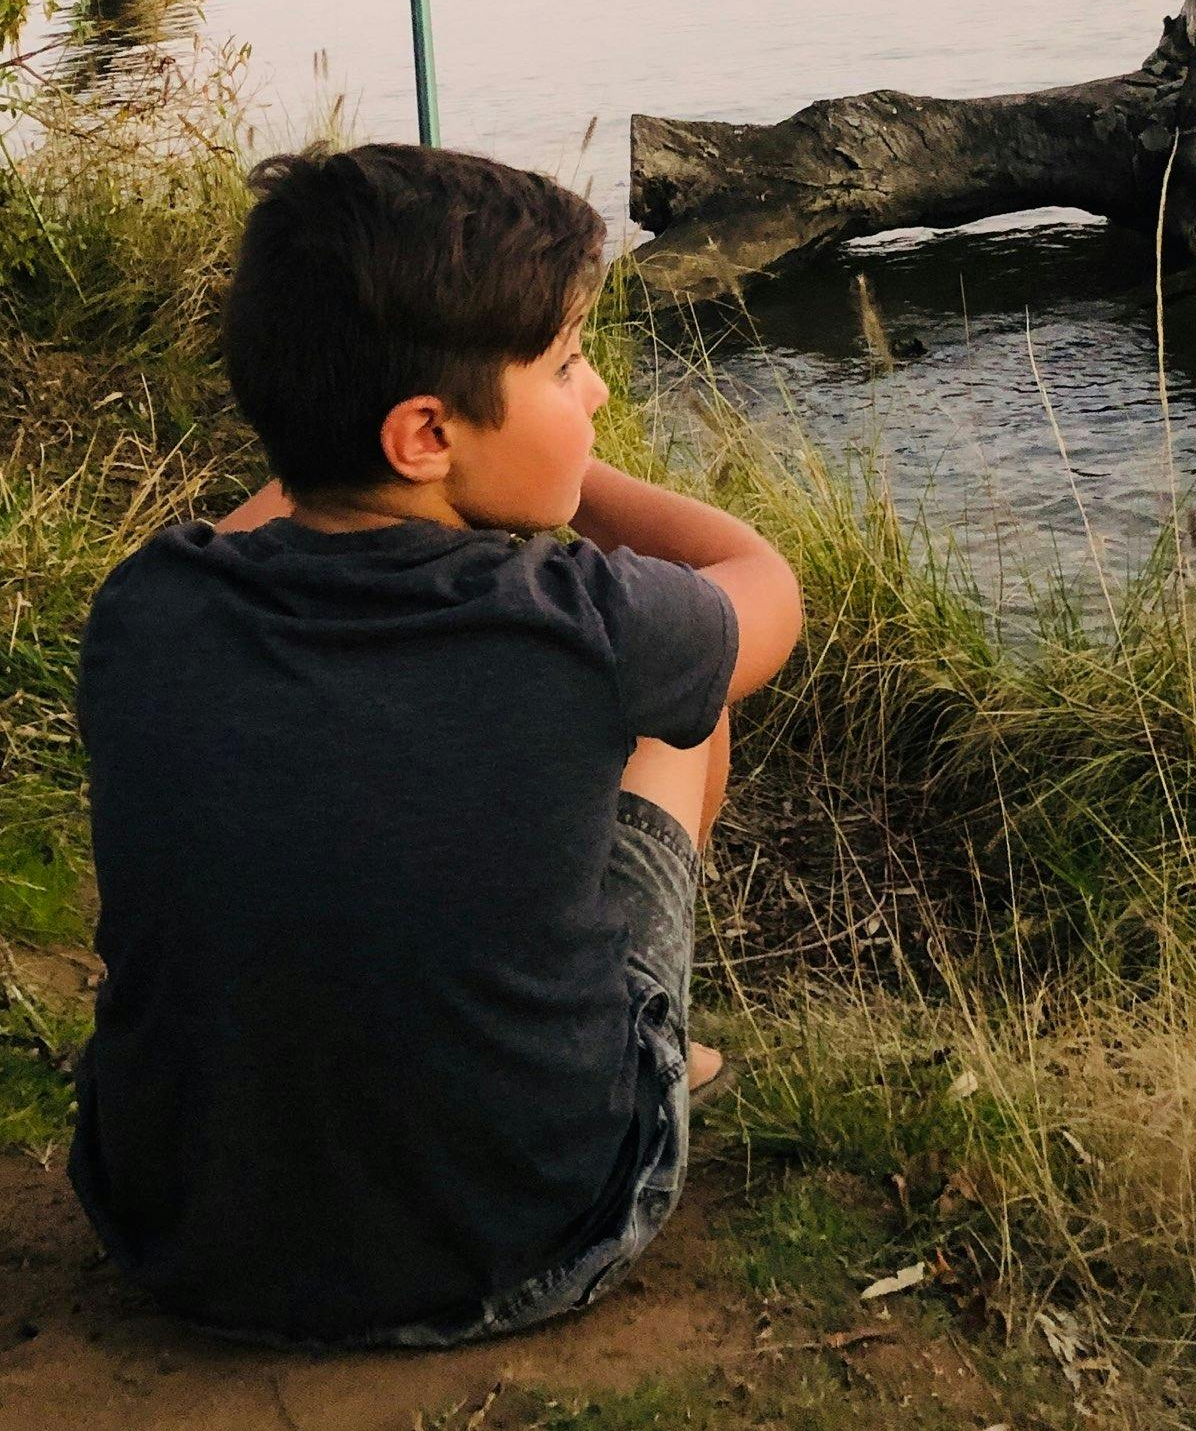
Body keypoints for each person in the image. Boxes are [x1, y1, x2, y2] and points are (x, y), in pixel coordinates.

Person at [68, 141, 803, 1349]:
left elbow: (294, 499)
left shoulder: (146, 606)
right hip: (532, 1237)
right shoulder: (585, 623)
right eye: (567, 368)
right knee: (694, 695)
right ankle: (652, 1050)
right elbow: (760, 584)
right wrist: (578, 481)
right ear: (422, 433)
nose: (598, 395)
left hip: (177, 1234)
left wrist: (398, 442)